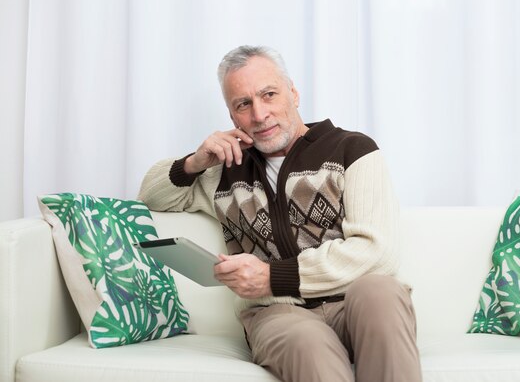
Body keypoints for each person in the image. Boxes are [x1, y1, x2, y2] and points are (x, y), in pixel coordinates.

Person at [138, 45, 422, 382]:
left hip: (353, 304)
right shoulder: (224, 170)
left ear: (293, 93)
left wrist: (272, 276)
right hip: (277, 313)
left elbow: (379, 253)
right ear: (232, 117)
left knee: (381, 292)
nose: (259, 115)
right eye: (243, 104)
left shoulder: (352, 150)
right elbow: (150, 197)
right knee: (308, 342)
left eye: (268, 94)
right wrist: (194, 162)